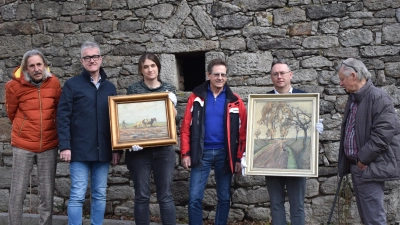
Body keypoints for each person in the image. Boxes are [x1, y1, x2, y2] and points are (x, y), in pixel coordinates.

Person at [57, 41, 121, 225]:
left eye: (95, 56)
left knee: (100, 194)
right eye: (87, 57)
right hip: (79, 150)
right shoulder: (72, 85)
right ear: (82, 60)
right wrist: (65, 146)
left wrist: (117, 149)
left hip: (103, 151)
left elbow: (115, 120)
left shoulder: (110, 88)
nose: (91, 60)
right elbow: (63, 117)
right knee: (77, 194)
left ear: (101, 59)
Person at [180, 58, 247, 225]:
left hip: (226, 154)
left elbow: (243, 131)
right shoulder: (196, 97)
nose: (220, 78)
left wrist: (239, 158)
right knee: (194, 198)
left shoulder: (235, 100)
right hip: (200, 152)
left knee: (224, 198)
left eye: (223, 74)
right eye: (216, 74)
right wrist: (185, 153)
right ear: (208, 75)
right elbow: (186, 128)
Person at [337, 58, 400, 224]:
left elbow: (383, 134)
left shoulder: (379, 98)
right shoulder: (354, 98)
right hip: (358, 166)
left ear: (353, 75)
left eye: (342, 79)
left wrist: (362, 160)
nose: (340, 84)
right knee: (367, 218)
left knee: (374, 218)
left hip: (368, 167)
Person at [5, 49, 61, 225]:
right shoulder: (13, 86)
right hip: (23, 145)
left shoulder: (54, 83)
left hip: (49, 145)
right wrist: (25, 128)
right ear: (25, 69)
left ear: (44, 65)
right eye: (32, 66)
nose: (36, 69)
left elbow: (58, 110)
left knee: (47, 192)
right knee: (18, 191)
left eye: (39, 64)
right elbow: (11, 113)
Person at [265, 59, 323, 225]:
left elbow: (309, 125)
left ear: (290, 75)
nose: (279, 76)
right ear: (271, 77)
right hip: (272, 167)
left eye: (283, 73)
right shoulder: (263, 100)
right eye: (275, 73)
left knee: (297, 205)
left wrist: (316, 127)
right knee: (276, 205)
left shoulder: (304, 98)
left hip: (298, 167)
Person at [125, 53, 177, 225]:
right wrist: (131, 141)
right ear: (141, 70)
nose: (150, 69)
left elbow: (172, 120)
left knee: (166, 195)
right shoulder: (133, 90)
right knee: (141, 196)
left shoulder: (169, 89)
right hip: (139, 152)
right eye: (146, 66)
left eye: (153, 65)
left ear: (158, 67)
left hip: (163, 151)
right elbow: (128, 115)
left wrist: (172, 106)